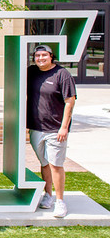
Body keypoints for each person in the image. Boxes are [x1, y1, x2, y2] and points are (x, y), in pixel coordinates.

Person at [27, 44, 76, 218]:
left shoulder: (62, 74)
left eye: (44, 55)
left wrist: (64, 127)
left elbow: (70, 101)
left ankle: (60, 202)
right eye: (37, 55)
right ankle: (48, 195)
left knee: (56, 164)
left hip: (55, 129)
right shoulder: (31, 72)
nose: (40, 58)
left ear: (51, 56)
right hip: (36, 128)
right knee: (44, 162)